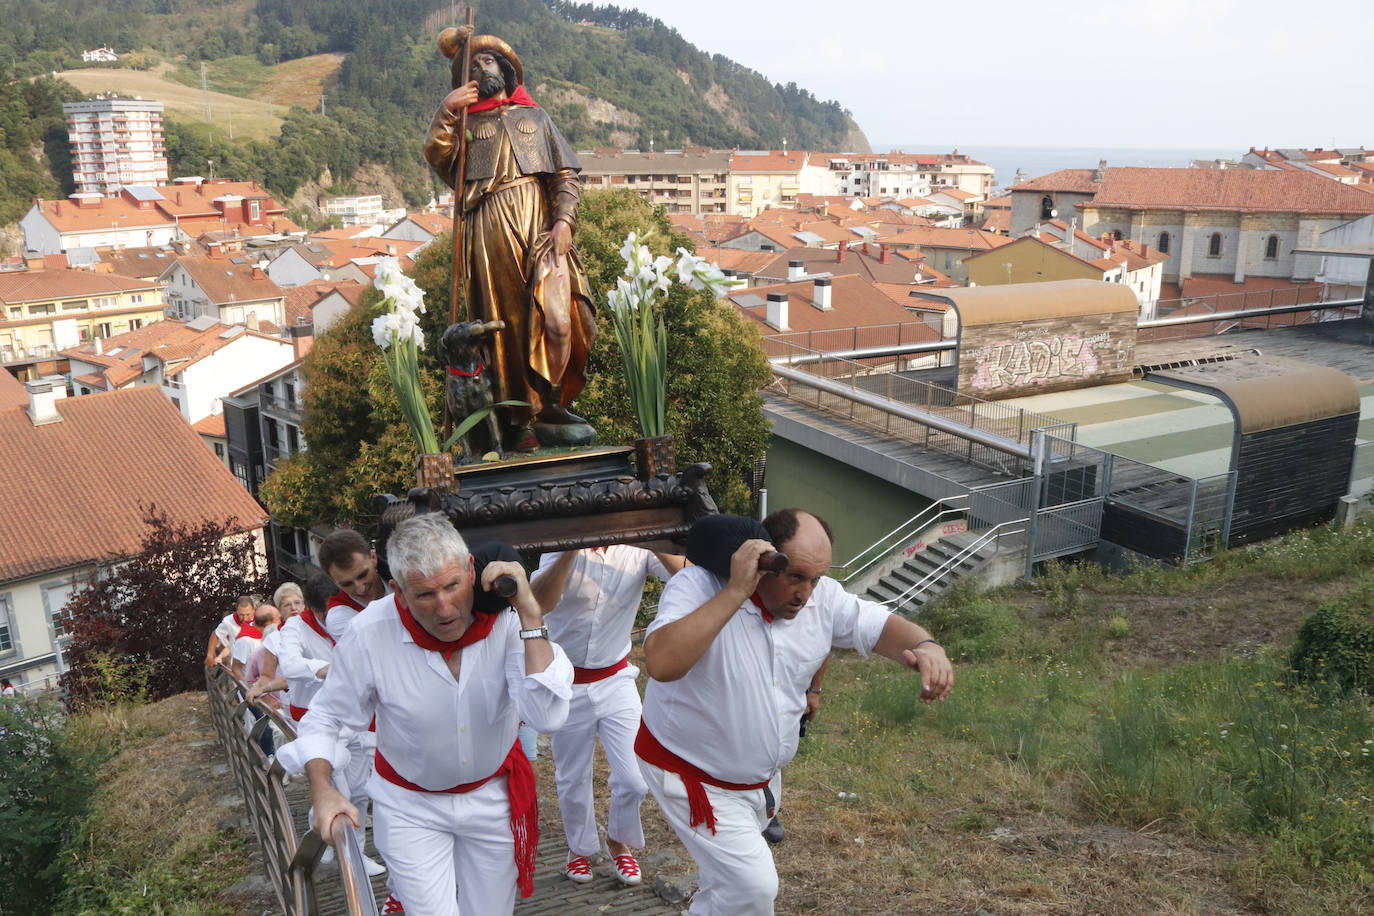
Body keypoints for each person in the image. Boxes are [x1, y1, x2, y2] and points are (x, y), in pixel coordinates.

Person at [637, 509, 955, 915]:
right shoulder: (698, 586)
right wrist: (735, 592)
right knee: (754, 889)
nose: (806, 593)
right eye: (795, 576)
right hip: (693, 775)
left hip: (758, 781)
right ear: (762, 560)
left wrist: (928, 647)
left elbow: (880, 627)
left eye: (816, 578)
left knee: (727, 890)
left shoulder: (822, 598)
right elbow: (662, 664)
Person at [284, 512, 572, 915]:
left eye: (453, 586)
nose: (445, 608)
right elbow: (327, 718)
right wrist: (324, 791)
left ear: (471, 571)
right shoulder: (369, 632)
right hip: (409, 807)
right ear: (398, 591)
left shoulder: (507, 620)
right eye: (424, 596)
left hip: (492, 797)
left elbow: (547, 716)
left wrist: (530, 612)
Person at [423, 26, 597, 449]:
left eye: (489, 60)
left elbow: (565, 174)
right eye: (474, 64)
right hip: (489, 230)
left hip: (539, 228)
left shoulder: (535, 117)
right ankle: (522, 418)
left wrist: (565, 221)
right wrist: (447, 110)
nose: (483, 67)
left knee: (558, 320)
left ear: (505, 68)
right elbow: (438, 154)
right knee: (504, 326)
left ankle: (553, 400)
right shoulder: (467, 124)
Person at [530, 545, 685, 886]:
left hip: (616, 678)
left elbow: (687, 575)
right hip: (568, 681)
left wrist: (651, 532)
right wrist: (571, 548)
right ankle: (578, 849)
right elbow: (539, 603)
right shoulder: (559, 545)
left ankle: (619, 839)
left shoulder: (639, 548)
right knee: (573, 777)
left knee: (635, 778)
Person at [317, 530, 389, 643]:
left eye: (363, 575)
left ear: (373, 558)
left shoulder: (401, 575)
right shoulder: (338, 618)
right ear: (334, 581)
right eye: (347, 584)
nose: (361, 589)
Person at [206, 595, 255, 668]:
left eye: (248, 614)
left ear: (253, 610)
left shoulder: (262, 619)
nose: (245, 618)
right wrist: (210, 655)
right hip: (238, 667)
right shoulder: (228, 621)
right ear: (237, 611)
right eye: (241, 615)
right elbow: (216, 634)